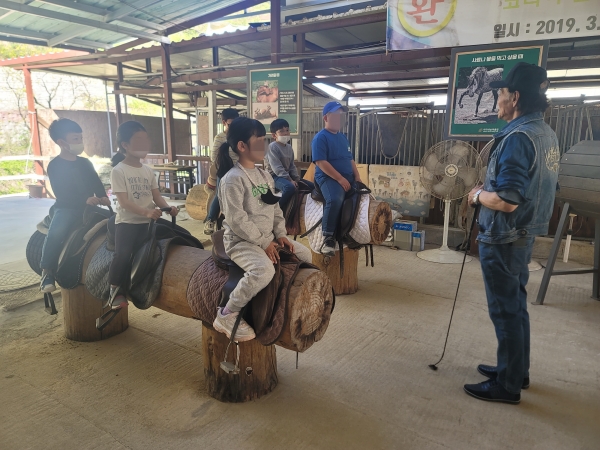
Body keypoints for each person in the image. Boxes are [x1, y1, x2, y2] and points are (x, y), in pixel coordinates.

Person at [464, 63, 560, 404]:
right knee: (516, 306)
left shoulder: (518, 138)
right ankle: (517, 371)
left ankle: (507, 386)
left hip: (504, 236)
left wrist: (478, 196)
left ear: (515, 97)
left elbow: (506, 200)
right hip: (524, 234)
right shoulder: (545, 134)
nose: (497, 100)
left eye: (500, 93)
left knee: (505, 311)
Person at [212, 117, 312, 341]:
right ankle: (228, 313)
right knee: (263, 271)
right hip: (242, 242)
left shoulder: (264, 175)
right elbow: (237, 220)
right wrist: (264, 243)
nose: (265, 145)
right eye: (259, 140)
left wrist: (281, 235)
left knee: (305, 254)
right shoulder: (232, 180)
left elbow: (275, 208)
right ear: (242, 146)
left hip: (268, 238)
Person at [108, 121, 178, 309]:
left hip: (149, 222)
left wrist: (168, 208)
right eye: (139, 140)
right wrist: (146, 212)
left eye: (146, 140)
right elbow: (124, 202)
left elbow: (156, 196)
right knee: (123, 254)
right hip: (128, 223)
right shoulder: (119, 171)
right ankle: (114, 289)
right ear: (125, 145)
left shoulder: (148, 170)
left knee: (177, 238)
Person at [40, 118, 110, 293]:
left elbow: (95, 181)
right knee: (57, 232)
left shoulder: (85, 163)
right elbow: (61, 192)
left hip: (89, 206)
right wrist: (84, 200)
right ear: (61, 142)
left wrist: (102, 196)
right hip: (67, 207)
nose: (80, 142)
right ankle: (47, 271)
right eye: (75, 139)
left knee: (115, 221)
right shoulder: (55, 166)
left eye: (80, 138)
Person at [311, 101, 363, 256]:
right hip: (328, 178)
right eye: (335, 115)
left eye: (341, 115)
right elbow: (321, 162)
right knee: (335, 199)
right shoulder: (320, 138)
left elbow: (350, 159)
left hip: (347, 176)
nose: (339, 118)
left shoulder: (343, 138)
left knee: (361, 197)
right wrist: (340, 179)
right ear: (326, 118)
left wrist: (357, 177)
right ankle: (328, 238)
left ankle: (346, 233)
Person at [265, 118, 314, 211]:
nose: (285, 133)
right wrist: (290, 180)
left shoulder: (289, 147)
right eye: (281, 131)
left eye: (287, 130)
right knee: (289, 187)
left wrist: (297, 179)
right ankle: (275, 211)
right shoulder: (272, 147)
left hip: (287, 176)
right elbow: (277, 169)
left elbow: (292, 165)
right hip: (274, 176)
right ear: (274, 135)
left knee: (312, 186)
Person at [204, 108, 240, 235]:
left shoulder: (240, 136)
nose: (234, 126)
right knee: (220, 195)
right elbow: (214, 157)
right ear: (224, 122)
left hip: (239, 171)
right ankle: (210, 219)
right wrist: (226, 165)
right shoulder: (220, 138)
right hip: (224, 170)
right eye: (231, 124)